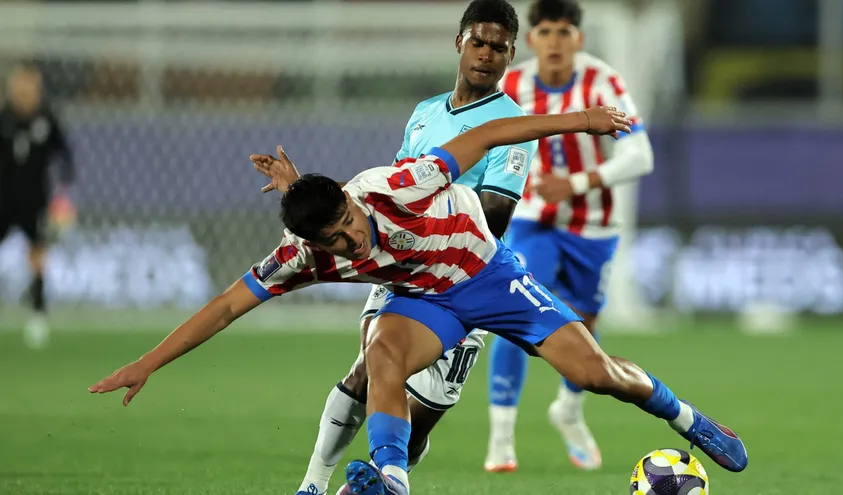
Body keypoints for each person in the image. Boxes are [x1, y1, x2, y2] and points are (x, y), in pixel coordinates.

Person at [88, 107, 748, 495]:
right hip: (425, 303)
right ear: (313, 238)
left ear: (350, 195)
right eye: (336, 236)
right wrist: (149, 361)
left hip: (488, 274)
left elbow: (489, 137)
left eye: (348, 219)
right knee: (382, 353)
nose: (352, 235)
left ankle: (690, 420)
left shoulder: (397, 186)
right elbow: (227, 305)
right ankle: (391, 478)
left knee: (593, 373)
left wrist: (586, 121)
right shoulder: (306, 254)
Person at [262, 1, 538, 494]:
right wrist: (303, 192)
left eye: (499, 47)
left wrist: (426, 215)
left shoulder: (512, 128)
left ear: (511, 54)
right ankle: (313, 485)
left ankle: (388, 476)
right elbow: (381, 195)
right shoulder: (425, 114)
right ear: (459, 42)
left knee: (421, 417)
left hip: (465, 276)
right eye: (478, 42)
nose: (486, 54)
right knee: (367, 369)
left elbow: (495, 217)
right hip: (402, 269)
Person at [483, 0, 656, 472]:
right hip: (531, 219)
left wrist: (577, 184)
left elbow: (641, 155)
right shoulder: (509, 83)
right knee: (516, 312)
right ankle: (501, 437)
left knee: (584, 324)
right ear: (531, 40)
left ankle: (569, 410)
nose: (555, 42)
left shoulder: (602, 81)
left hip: (592, 224)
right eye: (546, 32)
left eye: (564, 32)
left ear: (578, 39)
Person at [0, 60, 75, 348]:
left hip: (35, 201)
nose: (25, 90)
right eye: (20, 84)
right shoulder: (4, 118)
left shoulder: (47, 119)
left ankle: (38, 315)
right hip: (3, 200)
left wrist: (63, 196)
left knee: (37, 256)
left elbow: (65, 158)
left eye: (31, 84)